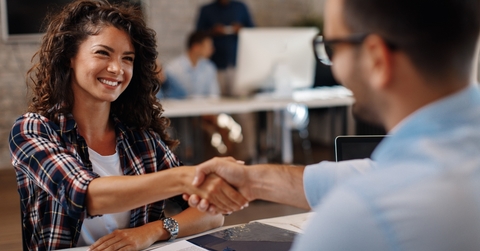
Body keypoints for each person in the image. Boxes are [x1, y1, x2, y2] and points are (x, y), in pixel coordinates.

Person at [186, 0, 480, 250]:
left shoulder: (359, 220)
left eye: (332, 46)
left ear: (376, 59)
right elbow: (366, 173)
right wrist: (251, 181)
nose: (333, 65)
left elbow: (371, 189)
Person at [8, 1, 247, 250]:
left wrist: (153, 231)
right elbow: (85, 195)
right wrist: (184, 178)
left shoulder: (142, 140)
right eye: (103, 53)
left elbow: (212, 213)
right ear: (70, 56)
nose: (117, 68)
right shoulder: (32, 130)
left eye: (127, 58)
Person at [195, 0, 254, 96]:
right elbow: (197, 35)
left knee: (240, 100)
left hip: (237, 62)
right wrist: (212, 31)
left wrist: (242, 29)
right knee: (217, 99)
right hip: (215, 64)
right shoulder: (207, 10)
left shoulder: (241, 7)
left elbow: (253, 31)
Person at [165, 31, 220, 99]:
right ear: (196, 47)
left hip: (204, 108)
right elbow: (169, 97)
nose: (212, 50)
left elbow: (214, 95)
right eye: (208, 46)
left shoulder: (209, 67)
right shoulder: (173, 69)